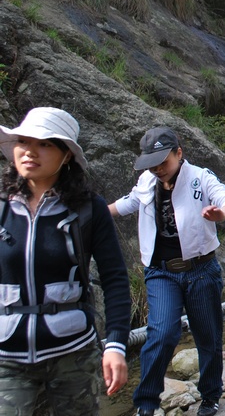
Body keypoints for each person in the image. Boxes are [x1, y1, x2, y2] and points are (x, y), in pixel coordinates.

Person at [0, 107, 131, 415]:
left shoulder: (89, 209)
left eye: (45, 144)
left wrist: (115, 345)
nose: (30, 151)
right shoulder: (3, 208)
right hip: (7, 354)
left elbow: (114, 278)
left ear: (67, 155)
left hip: (72, 352)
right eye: (24, 141)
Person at [110, 126, 225, 416]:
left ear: (179, 153)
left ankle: (210, 396)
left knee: (208, 336)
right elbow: (130, 202)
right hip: (161, 272)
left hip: (201, 270)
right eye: (152, 164)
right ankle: (146, 403)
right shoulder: (147, 180)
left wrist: (221, 214)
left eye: (163, 163)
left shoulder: (200, 177)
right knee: (162, 333)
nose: (158, 169)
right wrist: (98, 211)